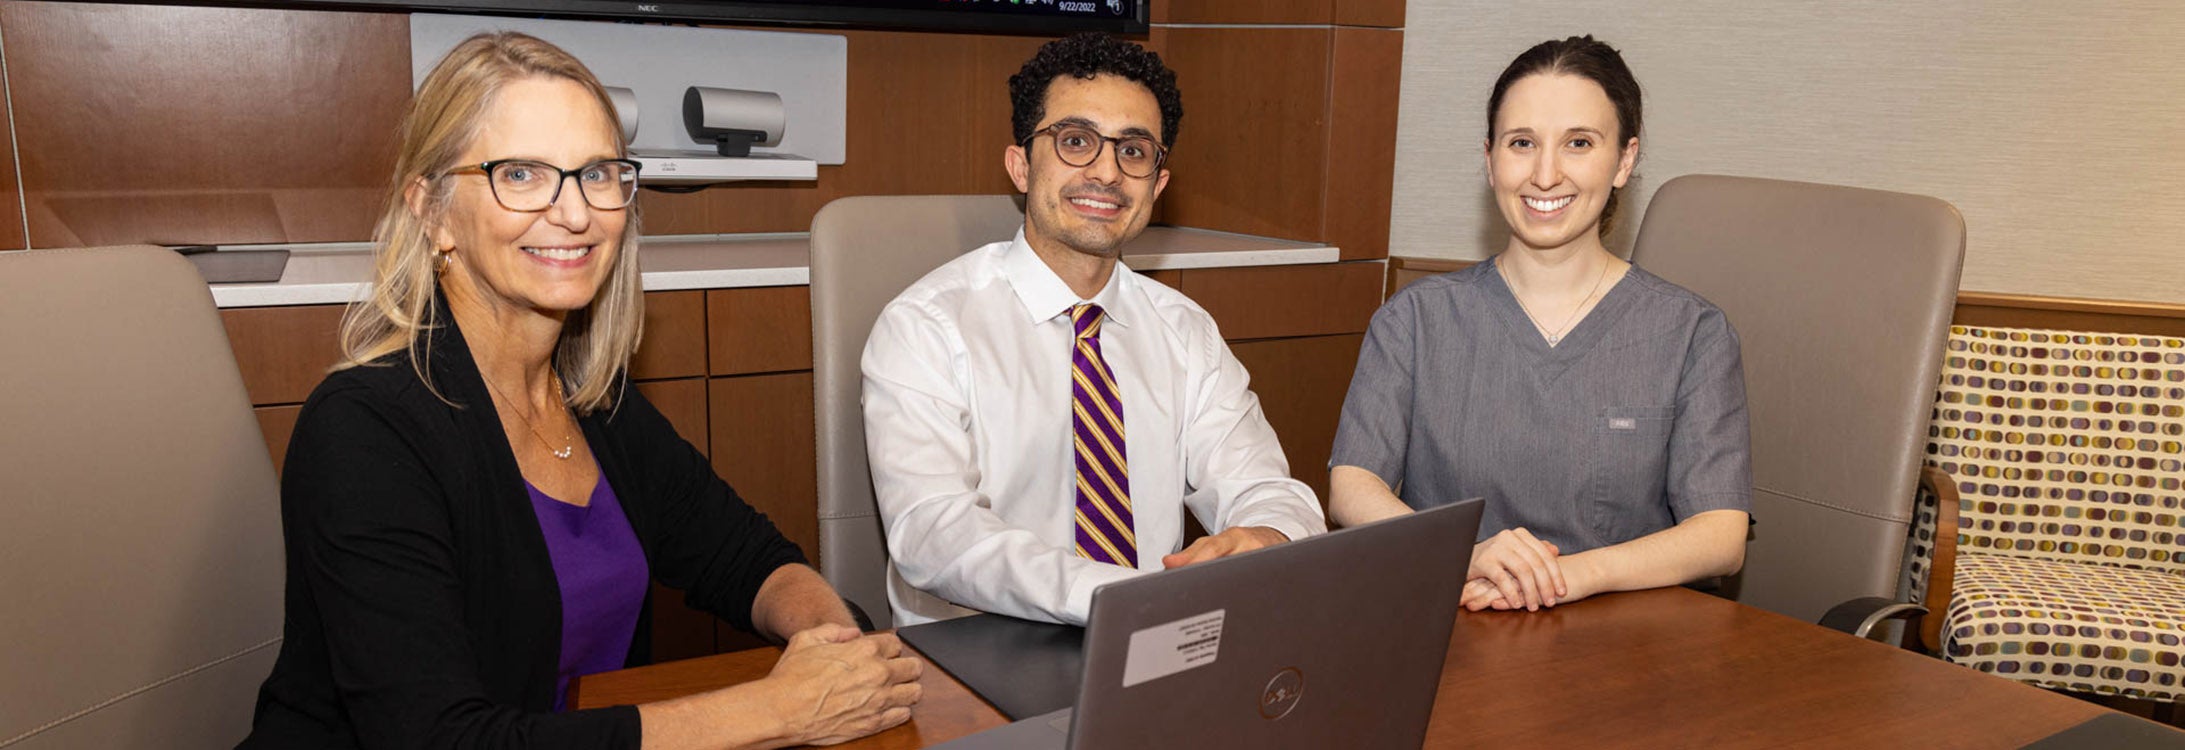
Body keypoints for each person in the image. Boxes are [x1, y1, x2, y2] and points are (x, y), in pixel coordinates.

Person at [240, 32, 919, 749]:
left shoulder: (595, 399)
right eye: (523, 174)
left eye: (596, 173)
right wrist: (782, 709)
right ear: (433, 211)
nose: (574, 212)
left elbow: (746, 557)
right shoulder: (365, 431)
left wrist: (834, 647)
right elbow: (439, 739)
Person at [861, 32, 1327, 627]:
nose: (1107, 171)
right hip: (975, 654)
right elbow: (934, 534)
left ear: (1157, 185)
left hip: (1159, 638)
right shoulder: (925, 328)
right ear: (1021, 166)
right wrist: (1120, 596)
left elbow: (1269, 489)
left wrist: (1269, 538)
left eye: (1133, 152)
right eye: (1076, 141)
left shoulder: (1185, 331)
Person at [1327, 35, 1751, 614]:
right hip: (1457, 622)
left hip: (1628, 645)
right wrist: (1463, 553)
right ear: (1489, 158)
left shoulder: (1691, 334)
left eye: (1579, 143)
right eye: (1521, 143)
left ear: (1625, 161)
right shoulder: (1416, 319)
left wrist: (1571, 574)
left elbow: (1721, 537)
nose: (1545, 174)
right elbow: (1352, 486)